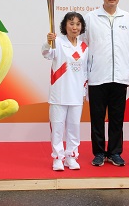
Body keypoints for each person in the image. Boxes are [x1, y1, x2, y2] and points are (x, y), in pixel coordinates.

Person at [83, 0, 129, 167]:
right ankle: (98, 153)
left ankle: (114, 152)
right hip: (97, 76)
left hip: (120, 77)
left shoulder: (127, 18)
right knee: (97, 118)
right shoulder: (90, 18)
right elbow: (83, 46)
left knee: (116, 118)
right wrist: (85, 73)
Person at [42, 12, 88, 171]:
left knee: (74, 127)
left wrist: (84, 92)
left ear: (81, 27)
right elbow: (47, 54)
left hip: (76, 94)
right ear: (65, 26)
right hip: (59, 93)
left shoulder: (84, 47)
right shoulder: (58, 42)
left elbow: (85, 72)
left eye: (78, 24)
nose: (75, 27)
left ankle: (71, 157)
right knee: (58, 127)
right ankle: (57, 158)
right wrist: (49, 42)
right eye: (71, 23)